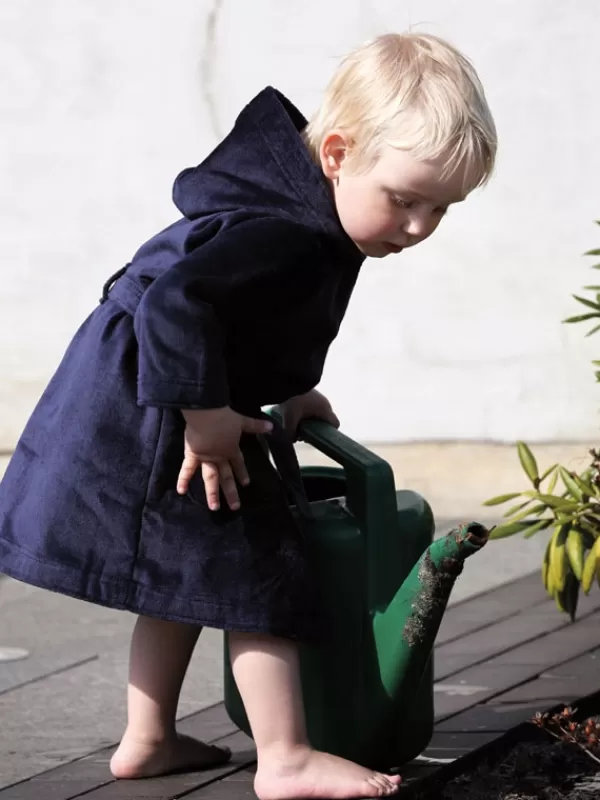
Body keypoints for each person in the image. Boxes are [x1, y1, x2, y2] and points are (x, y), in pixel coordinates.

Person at [0, 32, 496, 799]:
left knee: (184, 574)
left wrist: (287, 387)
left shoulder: (305, 210)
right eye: (405, 199)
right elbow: (175, 304)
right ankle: (286, 757)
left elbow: (249, 315)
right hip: (166, 408)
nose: (419, 226)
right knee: (261, 576)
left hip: (148, 396)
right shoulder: (288, 231)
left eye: (442, 209)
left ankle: (149, 738)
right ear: (336, 153)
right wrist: (205, 416)